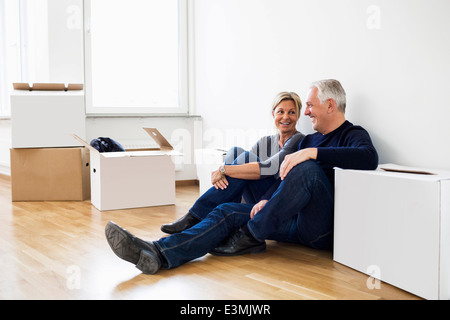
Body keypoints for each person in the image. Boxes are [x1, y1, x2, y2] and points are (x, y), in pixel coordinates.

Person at [105, 79, 379, 274]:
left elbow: (369, 158)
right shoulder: (310, 138)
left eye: (308, 105)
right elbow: (284, 178)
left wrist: (312, 155)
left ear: (330, 105)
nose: (305, 112)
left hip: (318, 228)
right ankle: (158, 253)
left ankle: (251, 234)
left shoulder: (352, 134)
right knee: (226, 211)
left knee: (307, 168)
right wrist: (268, 200)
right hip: (287, 221)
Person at [160, 91, 305, 234]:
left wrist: (224, 170)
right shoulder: (265, 141)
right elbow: (241, 163)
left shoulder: (299, 140)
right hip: (255, 198)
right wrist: (226, 170)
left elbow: (271, 168)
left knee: (245, 158)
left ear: (298, 115)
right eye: (280, 112)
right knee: (235, 152)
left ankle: (196, 215)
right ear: (273, 114)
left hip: (273, 199)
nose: (286, 117)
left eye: (291, 112)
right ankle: (221, 212)